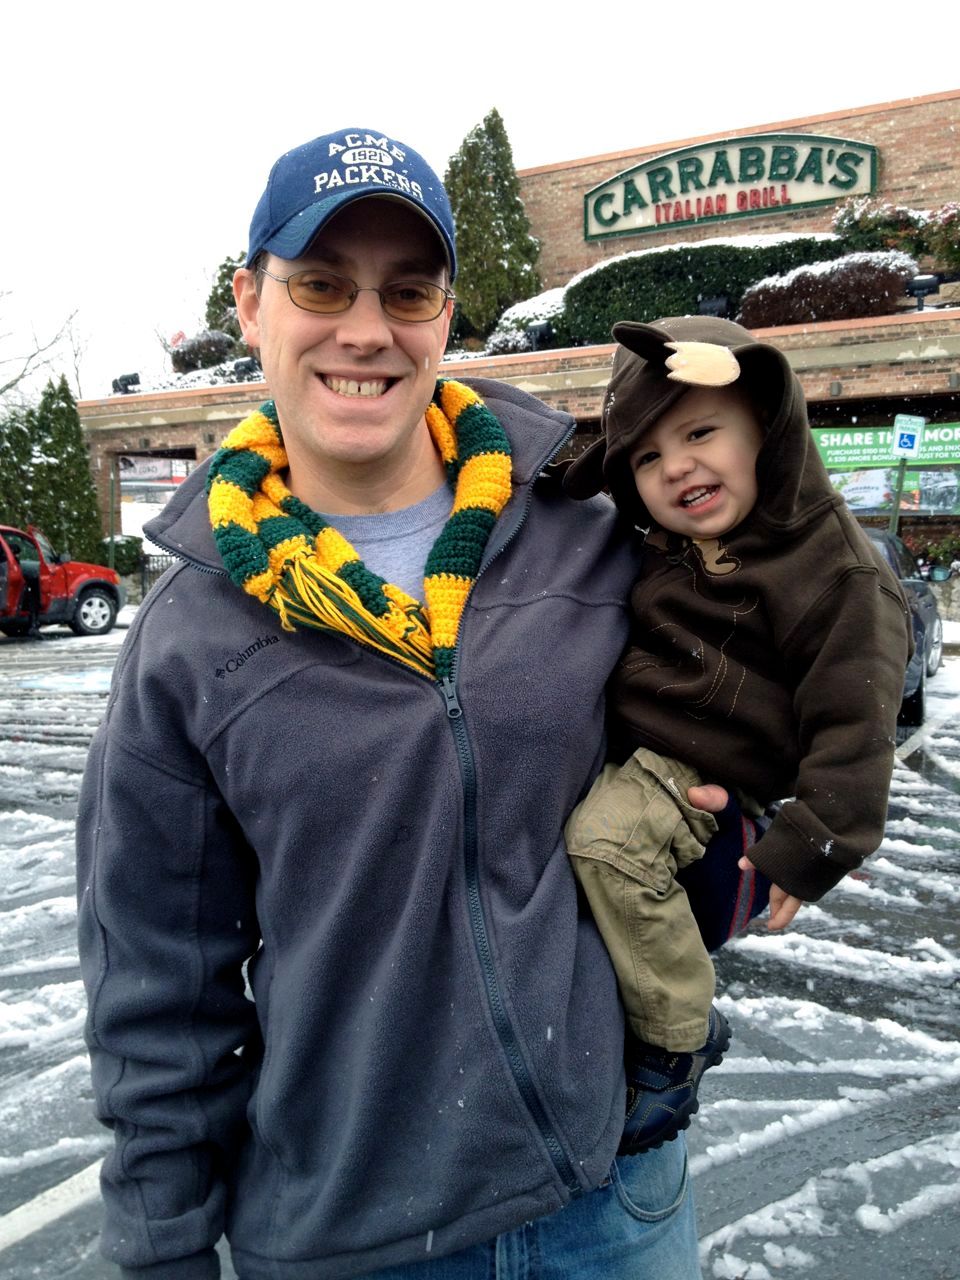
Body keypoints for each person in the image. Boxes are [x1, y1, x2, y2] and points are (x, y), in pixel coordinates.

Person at [77, 129, 732, 1280]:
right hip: (357, 1242)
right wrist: (165, 1248)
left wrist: (776, 819)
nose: (366, 328)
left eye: (407, 289)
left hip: (615, 1193)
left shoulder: (586, 525)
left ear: (446, 316)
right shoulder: (192, 641)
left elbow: (784, 622)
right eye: (321, 283)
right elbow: (156, 990)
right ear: (251, 301)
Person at [562, 315, 912, 1149]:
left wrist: (820, 835)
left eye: (702, 431)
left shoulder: (834, 571)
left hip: (692, 767)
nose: (676, 465)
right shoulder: (667, 545)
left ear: (768, 425)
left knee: (604, 847)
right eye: (646, 456)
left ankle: (676, 1042)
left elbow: (855, 719)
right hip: (625, 745)